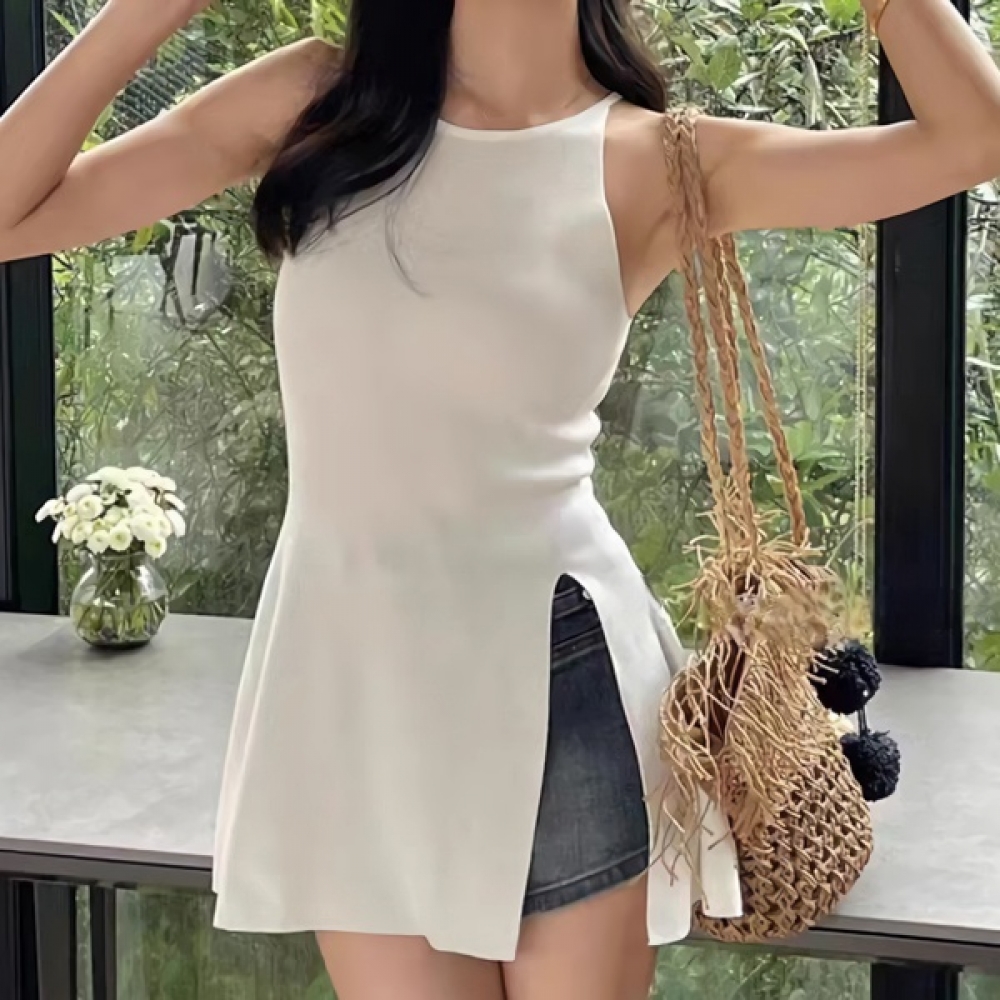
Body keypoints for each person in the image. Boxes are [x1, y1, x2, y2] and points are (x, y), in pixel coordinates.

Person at [3, 0, 999, 996]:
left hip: (560, 675)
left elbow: (971, 139)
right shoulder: (315, 100)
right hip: (350, 676)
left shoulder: (653, 159)